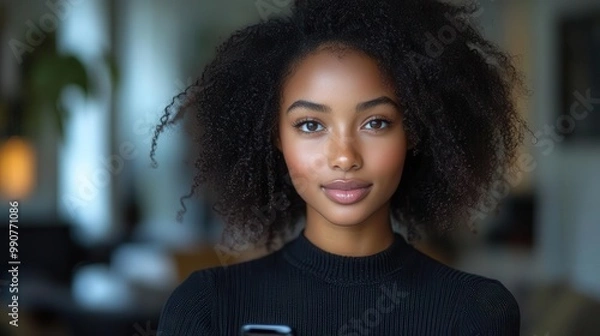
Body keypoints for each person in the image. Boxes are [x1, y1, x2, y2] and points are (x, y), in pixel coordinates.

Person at [152, 0, 527, 334]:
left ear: (413, 131)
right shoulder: (208, 308)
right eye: (311, 125)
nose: (345, 157)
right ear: (276, 137)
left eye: (375, 122)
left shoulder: (476, 311)